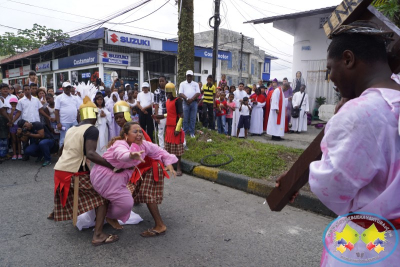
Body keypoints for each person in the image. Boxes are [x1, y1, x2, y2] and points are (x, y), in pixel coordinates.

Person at [305, 22, 400, 266]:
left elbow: (331, 187)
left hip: (370, 246)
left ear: (348, 59)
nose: (330, 77)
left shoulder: (358, 114)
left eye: (330, 68)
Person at [51, 96, 119, 246]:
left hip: (60, 170)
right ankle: (98, 235)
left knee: (87, 188)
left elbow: (62, 149)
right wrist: (112, 166)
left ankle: (57, 211)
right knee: (102, 198)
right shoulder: (92, 129)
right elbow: (91, 154)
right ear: (94, 115)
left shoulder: (72, 128)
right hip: (73, 172)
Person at [113, 100, 179, 237]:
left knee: (149, 196)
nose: (119, 120)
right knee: (131, 189)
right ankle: (132, 203)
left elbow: (151, 147)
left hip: (150, 166)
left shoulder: (136, 131)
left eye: (121, 116)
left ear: (127, 114)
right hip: (139, 167)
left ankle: (160, 225)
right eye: (116, 117)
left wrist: (167, 160)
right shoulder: (125, 131)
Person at [90, 122, 146, 229]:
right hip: (105, 178)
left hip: (119, 180)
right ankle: (108, 217)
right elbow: (121, 153)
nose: (139, 134)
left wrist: (166, 158)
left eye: (140, 131)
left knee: (125, 202)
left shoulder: (140, 144)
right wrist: (129, 155)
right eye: (135, 132)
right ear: (126, 135)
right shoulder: (120, 144)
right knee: (127, 203)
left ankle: (109, 215)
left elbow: (154, 148)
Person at [152, 82, 184, 176]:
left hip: (175, 127)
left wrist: (177, 129)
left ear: (173, 92)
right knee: (168, 149)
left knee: (177, 150)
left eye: (169, 93)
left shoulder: (178, 101)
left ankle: (178, 167)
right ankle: (169, 166)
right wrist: (157, 116)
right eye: (167, 93)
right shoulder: (168, 101)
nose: (168, 95)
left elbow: (181, 115)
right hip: (168, 128)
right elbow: (168, 114)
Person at [55, 82, 80, 148]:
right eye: (66, 87)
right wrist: (58, 123)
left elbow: (77, 110)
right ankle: (62, 156)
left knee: (75, 139)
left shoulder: (75, 98)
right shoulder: (59, 98)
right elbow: (56, 111)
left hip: (74, 122)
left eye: (69, 87)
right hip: (64, 122)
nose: (68, 89)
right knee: (63, 140)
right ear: (63, 88)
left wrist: (79, 122)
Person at [179, 70, 200, 138]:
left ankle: (191, 132)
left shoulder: (195, 84)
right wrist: (187, 99)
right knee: (185, 118)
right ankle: (185, 132)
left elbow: (198, 93)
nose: (189, 77)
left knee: (193, 118)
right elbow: (180, 93)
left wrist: (192, 99)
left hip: (194, 102)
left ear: (192, 76)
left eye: (190, 76)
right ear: (186, 76)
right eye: (188, 76)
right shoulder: (182, 84)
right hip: (185, 102)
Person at [154, 76, 168, 149]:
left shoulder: (169, 90)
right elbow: (156, 104)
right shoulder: (157, 91)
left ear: (166, 81)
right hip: (161, 113)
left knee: (169, 130)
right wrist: (157, 116)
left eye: (162, 81)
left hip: (169, 113)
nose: (161, 82)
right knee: (161, 131)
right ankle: (162, 147)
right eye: (160, 81)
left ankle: (168, 145)